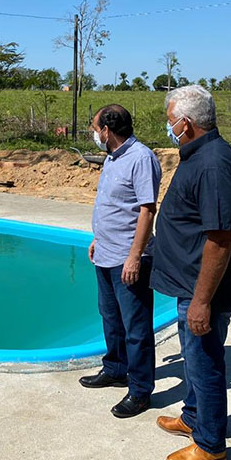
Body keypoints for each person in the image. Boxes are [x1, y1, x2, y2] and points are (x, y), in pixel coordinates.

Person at [150, 85, 231, 460]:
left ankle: (210, 442)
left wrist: (203, 300)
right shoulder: (199, 155)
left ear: (185, 123)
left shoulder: (212, 164)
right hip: (189, 284)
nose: (169, 126)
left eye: (171, 119)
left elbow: (221, 238)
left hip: (201, 289)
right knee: (193, 359)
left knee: (205, 363)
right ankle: (194, 418)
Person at [79, 104, 162, 419]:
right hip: (105, 253)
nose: (93, 133)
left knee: (136, 327)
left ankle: (140, 391)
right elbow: (113, 205)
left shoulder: (141, 159)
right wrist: (98, 238)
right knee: (110, 317)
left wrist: (134, 256)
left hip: (128, 259)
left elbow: (146, 210)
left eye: (94, 127)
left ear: (106, 130)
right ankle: (115, 368)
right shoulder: (113, 158)